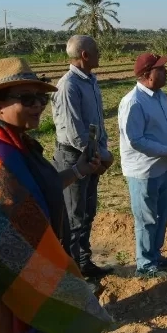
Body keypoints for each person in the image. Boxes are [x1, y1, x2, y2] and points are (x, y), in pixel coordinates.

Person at [0, 57, 113, 333]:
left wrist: (79, 170)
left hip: (36, 269)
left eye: (41, 98)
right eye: (27, 99)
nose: (38, 105)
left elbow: (40, 189)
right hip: (19, 279)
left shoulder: (13, 141)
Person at [118, 53, 167, 276]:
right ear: (147, 75)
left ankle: (155, 256)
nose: (166, 72)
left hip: (162, 168)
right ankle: (145, 265)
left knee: (161, 213)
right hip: (144, 171)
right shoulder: (133, 102)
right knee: (146, 219)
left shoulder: (160, 96)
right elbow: (135, 140)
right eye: (161, 69)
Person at [51, 35, 114, 278]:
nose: (100, 54)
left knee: (88, 213)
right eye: (96, 50)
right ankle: (73, 274)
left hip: (91, 156)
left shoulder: (90, 81)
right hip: (74, 158)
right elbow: (75, 132)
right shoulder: (69, 86)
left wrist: (101, 153)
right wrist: (100, 157)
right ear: (85, 55)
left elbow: (97, 123)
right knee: (73, 218)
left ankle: (84, 263)